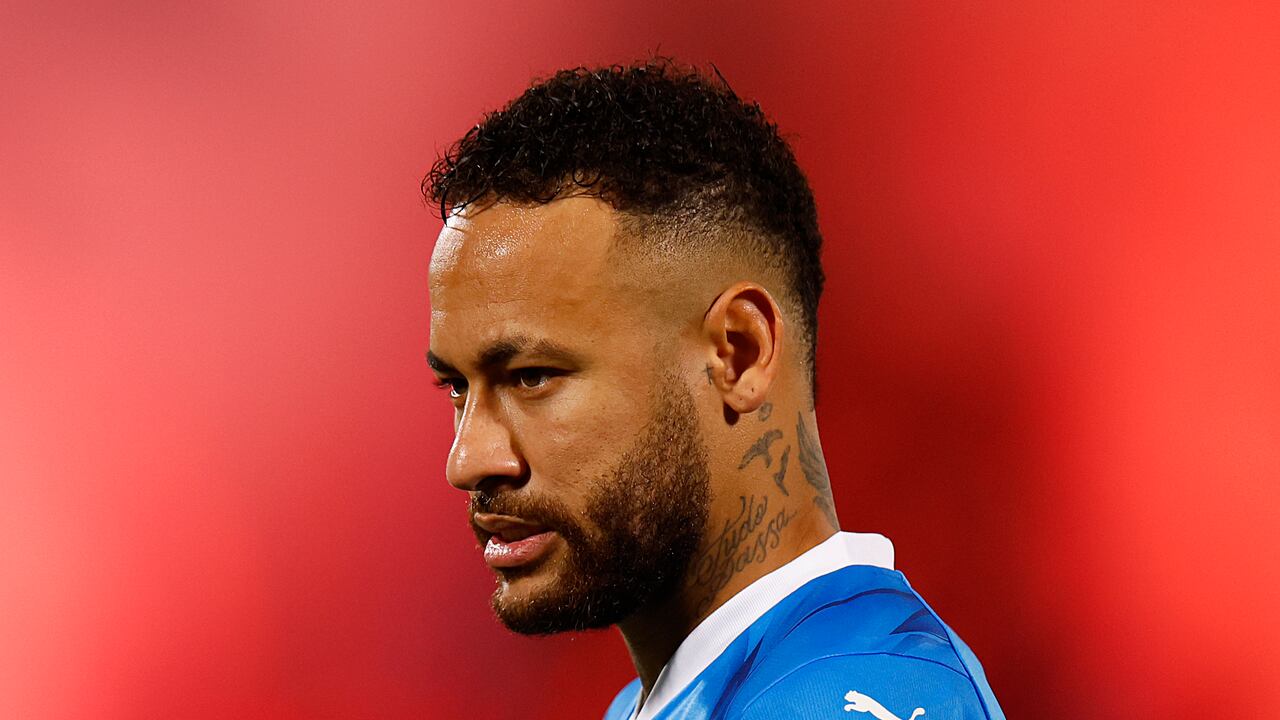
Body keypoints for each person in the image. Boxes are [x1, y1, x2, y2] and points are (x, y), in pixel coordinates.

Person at [422, 60, 1005, 720]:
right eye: (456, 388)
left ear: (740, 352)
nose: (467, 461)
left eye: (532, 377)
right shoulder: (665, 701)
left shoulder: (852, 701)